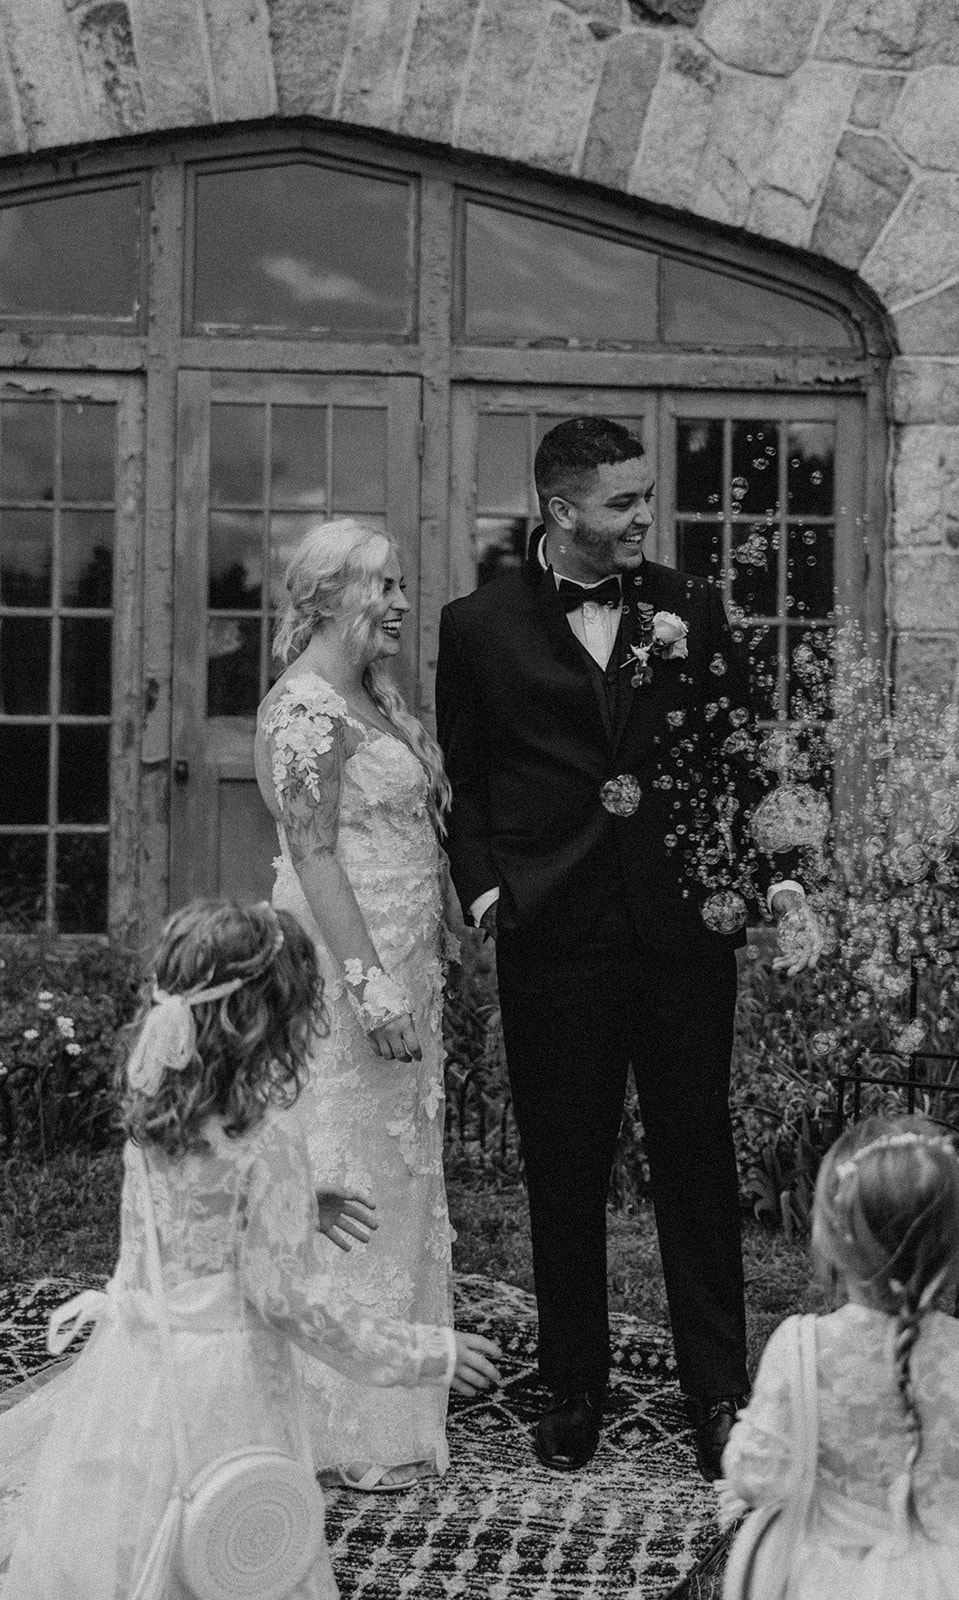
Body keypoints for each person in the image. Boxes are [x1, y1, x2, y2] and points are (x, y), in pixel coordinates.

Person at [435, 416, 822, 1479]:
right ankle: (572, 1386)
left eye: (645, 498)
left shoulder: (689, 609)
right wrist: (482, 897)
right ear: (561, 511)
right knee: (563, 1166)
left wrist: (778, 874)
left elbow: (738, 751)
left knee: (695, 1160)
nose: (644, 517)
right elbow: (465, 782)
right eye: (622, 501)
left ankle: (715, 1393)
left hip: (682, 930)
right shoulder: (475, 625)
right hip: (550, 936)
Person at [0, 899, 501, 1600]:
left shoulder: (153, 1123)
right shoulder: (266, 1145)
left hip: (137, 1366)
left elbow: (182, 1234)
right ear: (273, 1022)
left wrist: (297, 1207)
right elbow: (289, 1301)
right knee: (227, 1551)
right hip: (224, 1390)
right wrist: (421, 1352)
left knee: (131, 1539)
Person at [255, 518, 458, 1493]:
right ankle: (333, 1417)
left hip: (403, 971)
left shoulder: (369, 697)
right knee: (345, 1161)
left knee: (397, 1161)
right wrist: (370, 982)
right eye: (384, 585)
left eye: (402, 585)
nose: (402, 603)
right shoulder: (303, 706)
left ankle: (394, 1399)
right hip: (345, 981)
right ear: (330, 595)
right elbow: (313, 850)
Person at [720, 1115, 959, 1598]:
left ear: (831, 1239)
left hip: (826, 1578)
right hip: (945, 1580)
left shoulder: (803, 1346)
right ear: (953, 1248)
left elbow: (754, 1475)